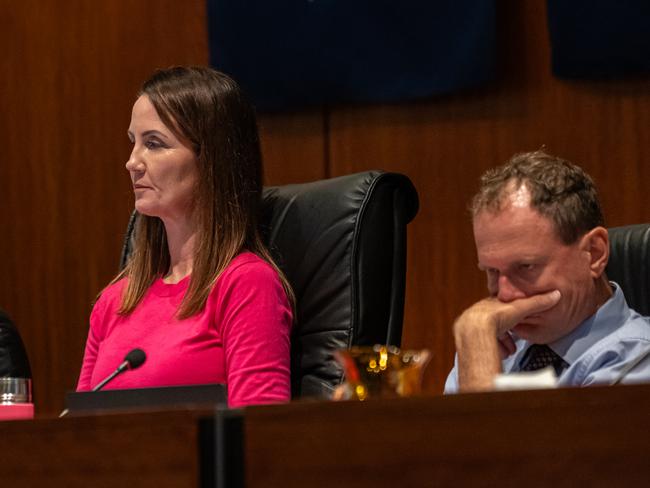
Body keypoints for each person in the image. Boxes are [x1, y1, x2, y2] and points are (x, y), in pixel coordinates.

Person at [77, 66, 294, 407]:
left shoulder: (247, 284)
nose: (132, 163)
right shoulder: (113, 302)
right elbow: (79, 432)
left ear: (211, 160)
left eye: (154, 143)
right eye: (134, 142)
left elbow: (260, 433)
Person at [445, 150, 650, 393]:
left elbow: (490, 432)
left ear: (594, 253)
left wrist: (477, 347)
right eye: (491, 270)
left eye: (526, 267)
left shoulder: (637, 359)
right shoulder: (492, 341)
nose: (505, 295)